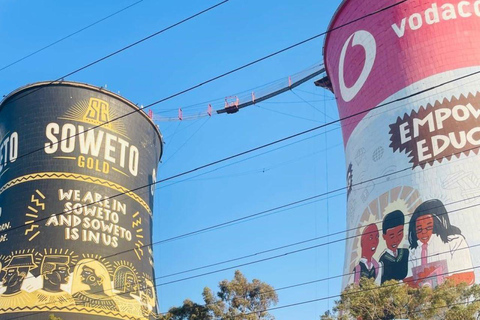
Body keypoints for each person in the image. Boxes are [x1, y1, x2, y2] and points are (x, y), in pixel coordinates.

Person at [407, 199, 474, 287]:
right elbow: (412, 280)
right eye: (419, 229)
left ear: (438, 224)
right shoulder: (414, 251)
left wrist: (435, 280)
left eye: (428, 227)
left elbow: (469, 277)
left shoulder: (456, 241)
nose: (423, 232)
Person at [379, 210, 409, 283]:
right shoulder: (383, 260)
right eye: (391, 236)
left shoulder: (405, 253)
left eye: (399, 234)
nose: (396, 240)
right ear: (384, 236)